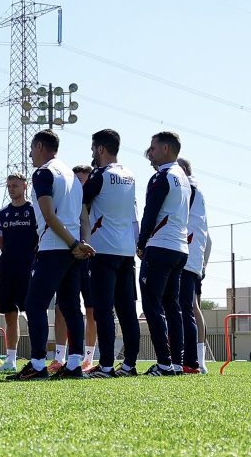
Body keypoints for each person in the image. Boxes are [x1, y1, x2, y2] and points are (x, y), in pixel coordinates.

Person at [8, 129, 94, 381]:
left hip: (55, 246)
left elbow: (48, 215)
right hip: (72, 248)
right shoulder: (72, 176)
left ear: (39, 147)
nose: (30, 155)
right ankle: (74, 364)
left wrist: (72, 243)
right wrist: (81, 244)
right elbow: (83, 217)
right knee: (71, 306)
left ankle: (37, 364)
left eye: (32, 149)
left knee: (34, 304)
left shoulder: (44, 173)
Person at [80, 129, 140, 378]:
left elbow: (80, 202)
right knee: (127, 311)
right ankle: (129, 365)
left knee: (103, 311)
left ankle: (105, 366)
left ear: (101, 149)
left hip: (103, 250)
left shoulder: (100, 175)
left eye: (93, 148)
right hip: (126, 251)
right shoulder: (130, 174)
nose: (92, 153)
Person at [138, 132, 191, 376]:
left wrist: (141, 243)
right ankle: (176, 363)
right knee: (172, 306)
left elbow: (150, 212)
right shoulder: (184, 177)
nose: (150, 152)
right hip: (179, 248)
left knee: (152, 305)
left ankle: (164, 363)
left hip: (160, 245)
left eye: (153, 148)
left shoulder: (162, 176)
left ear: (167, 149)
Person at [50, 165, 98, 373]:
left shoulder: (97, 202)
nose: (79, 184)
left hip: (90, 257)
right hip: (68, 255)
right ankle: (59, 357)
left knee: (91, 307)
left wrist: (85, 245)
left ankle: (88, 357)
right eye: (76, 180)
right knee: (62, 307)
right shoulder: (67, 201)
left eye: (83, 180)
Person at [0, 173, 38, 373]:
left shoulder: (34, 210)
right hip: (7, 267)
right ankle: (10, 360)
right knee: (10, 314)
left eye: (15, 185)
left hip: (28, 267)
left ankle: (37, 357)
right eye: (9, 186)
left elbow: (39, 239)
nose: (11, 189)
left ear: (25, 186)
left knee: (33, 311)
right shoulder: (2, 213)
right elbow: (0, 242)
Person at [177, 157, 210, 374]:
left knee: (186, 307)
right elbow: (208, 237)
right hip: (196, 258)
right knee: (192, 306)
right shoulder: (199, 194)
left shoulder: (188, 190)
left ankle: (193, 360)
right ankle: (198, 359)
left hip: (185, 255)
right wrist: (203, 264)